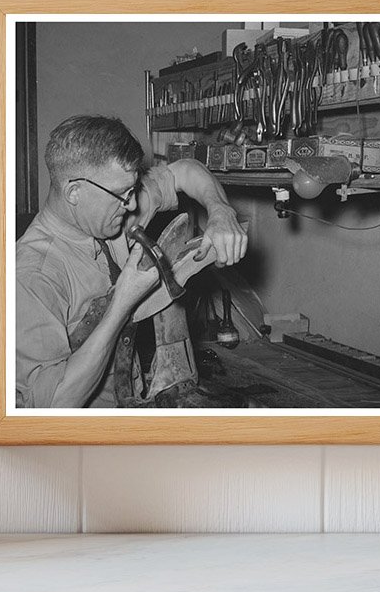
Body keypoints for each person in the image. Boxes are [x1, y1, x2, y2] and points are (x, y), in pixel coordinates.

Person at [16, 115, 248, 409]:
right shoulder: (32, 275)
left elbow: (186, 171)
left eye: (133, 190)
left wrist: (220, 212)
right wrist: (121, 305)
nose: (133, 205)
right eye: (122, 195)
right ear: (75, 192)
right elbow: (53, 406)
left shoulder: (110, 214)